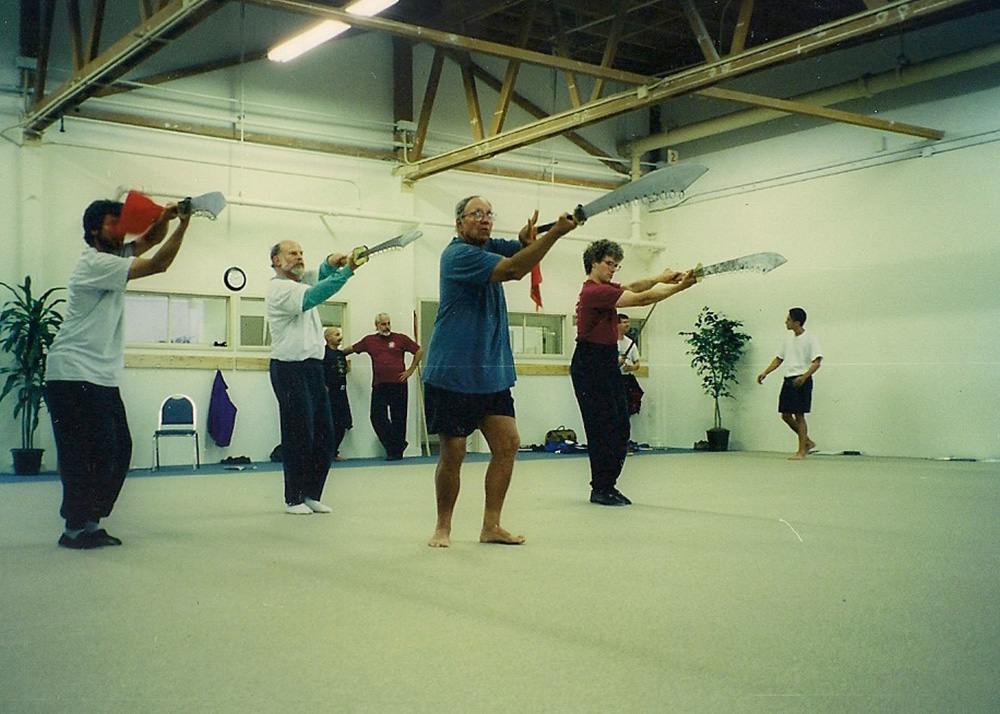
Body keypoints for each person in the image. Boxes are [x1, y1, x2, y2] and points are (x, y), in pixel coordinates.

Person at [422, 196, 577, 547]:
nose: (485, 219)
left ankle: (491, 526)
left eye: (489, 214)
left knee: (508, 444)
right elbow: (514, 269)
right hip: (453, 372)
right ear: (459, 223)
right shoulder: (457, 255)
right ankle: (443, 527)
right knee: (455, 452)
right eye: (476, 214)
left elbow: (521, 250)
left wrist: (531, 237)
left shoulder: (489, 245)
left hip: (491, 372)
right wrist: (556, 235)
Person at [45, 197, 190, 549]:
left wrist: (167, 216)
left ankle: (90, 521)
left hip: (99, 375)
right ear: (95, 230)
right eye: (113, 223)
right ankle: (74, 529)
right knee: (82, 454)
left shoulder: (114, 256)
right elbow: (158, 263)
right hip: (71, 372)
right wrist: (185, 225)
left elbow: (150, 240)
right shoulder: (95, 263)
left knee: (117, 448)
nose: (121, 229)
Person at [571, 239, 696, 506]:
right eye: (608, 264)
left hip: (604, 361)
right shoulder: (594, 292)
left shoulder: (604, 289)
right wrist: (679, 287)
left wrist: (661, 277)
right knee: (603, 427)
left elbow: (632, 287)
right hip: (590, 362)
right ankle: (601, 487)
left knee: (620, 425)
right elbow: (641, 299)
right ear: (593, 262)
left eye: (616, 265)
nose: (613, 269)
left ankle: (607, 485)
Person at [266, 240, 361, 514]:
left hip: (313, 368)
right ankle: (293, 499)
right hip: (288, 368)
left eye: (301, 252)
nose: (298, 257)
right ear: (276, 261)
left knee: (325, 436)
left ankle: (311, 494)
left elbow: (320, 273)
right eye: (292, 253)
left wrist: (333, 260)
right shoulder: (279, 288)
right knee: (299, 435)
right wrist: (347, 271)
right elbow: (316, 294)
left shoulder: (299, 282)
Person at [344, 314, 422, 461]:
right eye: (383, 324)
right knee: (377, 417)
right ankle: (398, 444)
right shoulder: (369, 341)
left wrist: (411, 369)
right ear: (377, 326)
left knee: (399, 418)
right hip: (380, 384)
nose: (386, 327)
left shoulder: (400, 338)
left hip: (399, 384)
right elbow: (351, 349)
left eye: (388, 323)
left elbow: (419, 350)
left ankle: (395, 453)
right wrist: (333, 354)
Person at [756, 307, 823, 460]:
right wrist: (765, 372)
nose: (785, 322)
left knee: (799, 415)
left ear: (797, 322)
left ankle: (801, 451)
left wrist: (804, 377)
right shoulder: (787, 339)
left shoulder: (810, 338)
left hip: (802, 379)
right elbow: (779, 359)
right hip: (788, 379)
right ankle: (807, 441)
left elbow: (816, 362)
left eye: (788, 319)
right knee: (785, 415)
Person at [322, 327, 353, 462]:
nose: (339, 337)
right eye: (336, 334)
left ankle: (334, 451)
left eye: (340, 334)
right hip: (329, 394)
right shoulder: (323, 353)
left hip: (341, 392)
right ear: (328, 338)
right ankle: (325, 453)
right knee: (328, 423)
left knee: (342, 422)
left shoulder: (340, 354)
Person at [617, 313, 644, 423]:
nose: (627, 325)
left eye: (628, 322)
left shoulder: (630, 343)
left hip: (627, 379)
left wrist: (631, 367)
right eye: (624, 322)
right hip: (614, 379)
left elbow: (637, 364)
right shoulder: (610, 343)